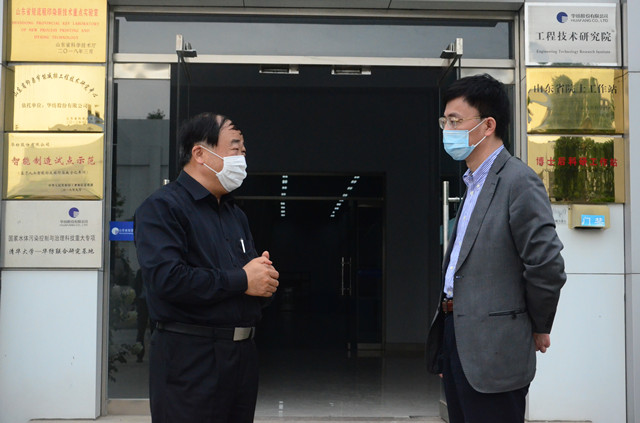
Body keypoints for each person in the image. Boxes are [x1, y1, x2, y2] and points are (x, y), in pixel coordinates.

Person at [426, 74, 566, 423]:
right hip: (457, 336)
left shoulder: (518, 181)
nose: (447, 130)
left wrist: (538, 324)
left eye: (455, 121)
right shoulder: (473, 184)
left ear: (487, 126)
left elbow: (546, 264)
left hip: (496, 347)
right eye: (445, 122)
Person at [134, 112, 279, 423]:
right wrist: (242, 280)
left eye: (243, 151)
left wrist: (264, 282)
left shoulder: (234, 214)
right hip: (190, 358)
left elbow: (248, 278)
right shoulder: (163, 207)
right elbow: (168, 280)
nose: (242, 157)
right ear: (200, 153)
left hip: (241, 356)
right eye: (235, 148)